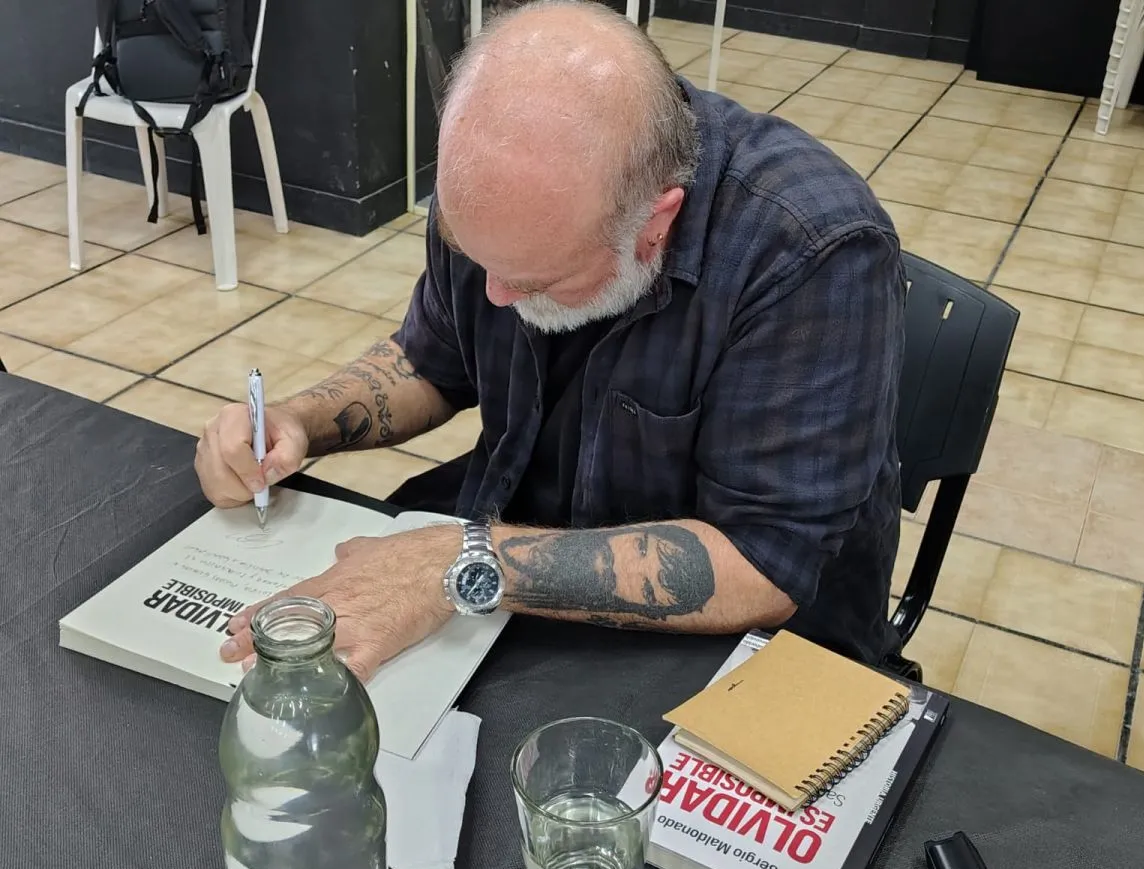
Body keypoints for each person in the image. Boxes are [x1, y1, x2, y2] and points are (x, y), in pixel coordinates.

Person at [195, 0, 907, 682]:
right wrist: (298, 421)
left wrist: (456, 560)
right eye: (478, 259)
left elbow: (761, 563)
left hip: (739, 650)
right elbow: (432, 361)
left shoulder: (811, 252)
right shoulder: (494, 202)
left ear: (656, 223)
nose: (496, 295)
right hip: (509, 578)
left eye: (532, 279)